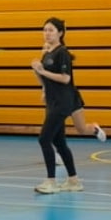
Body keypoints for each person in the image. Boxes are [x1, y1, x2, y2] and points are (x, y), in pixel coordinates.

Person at [31, 17, 87, 194]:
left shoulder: (62, 52)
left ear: (60, 33)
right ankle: (73, 180)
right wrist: (38, 73)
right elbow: (44, 78)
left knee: (44, 139)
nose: (47, 33)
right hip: (52, 100)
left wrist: (42, 70)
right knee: (59, 142)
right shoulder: (47, 52)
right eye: (45, 30)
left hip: (63, 102)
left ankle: (51, 181)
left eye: (51, 30)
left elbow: (65, 79)